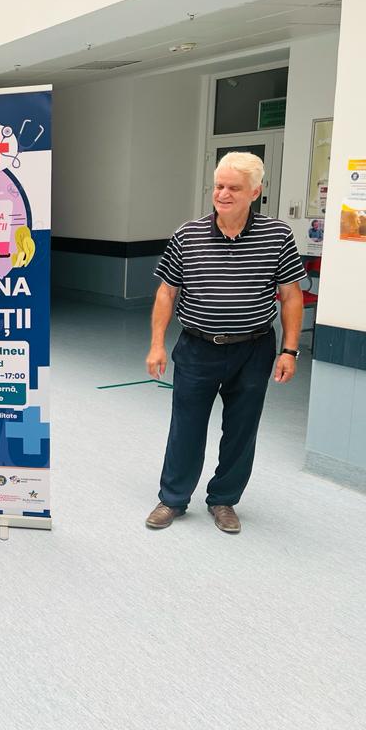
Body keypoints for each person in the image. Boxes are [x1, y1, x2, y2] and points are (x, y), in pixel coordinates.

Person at [144, 151, 306, 534]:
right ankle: (173, 498)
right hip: (197, 347)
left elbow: (291, 295)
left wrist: (289, 350)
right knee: (186, 427)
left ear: (255, 192)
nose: (223, 194)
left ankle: (224, 499)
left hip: (254, 348)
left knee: (241, 430)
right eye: (219, 186)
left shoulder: (278, 235)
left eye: (234, 187)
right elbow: (167, 292)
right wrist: (157, 344)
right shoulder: (188, 234)